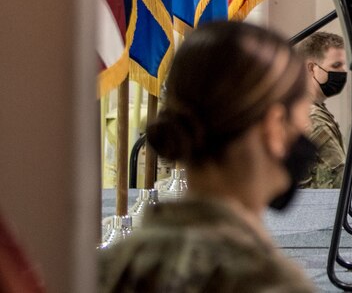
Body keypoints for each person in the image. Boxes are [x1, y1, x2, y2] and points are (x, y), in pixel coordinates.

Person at [98, 21, 317, 292]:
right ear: (274, 128)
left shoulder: (105, 269)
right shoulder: (268, 282)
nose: (307, 128)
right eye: (305, 112)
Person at [294, 31, 352, 189]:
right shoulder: (314, 120)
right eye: (336, 65)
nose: (343, 71)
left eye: (343, 65)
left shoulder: (299, 107)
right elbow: (346, 187)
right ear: (312, 69)